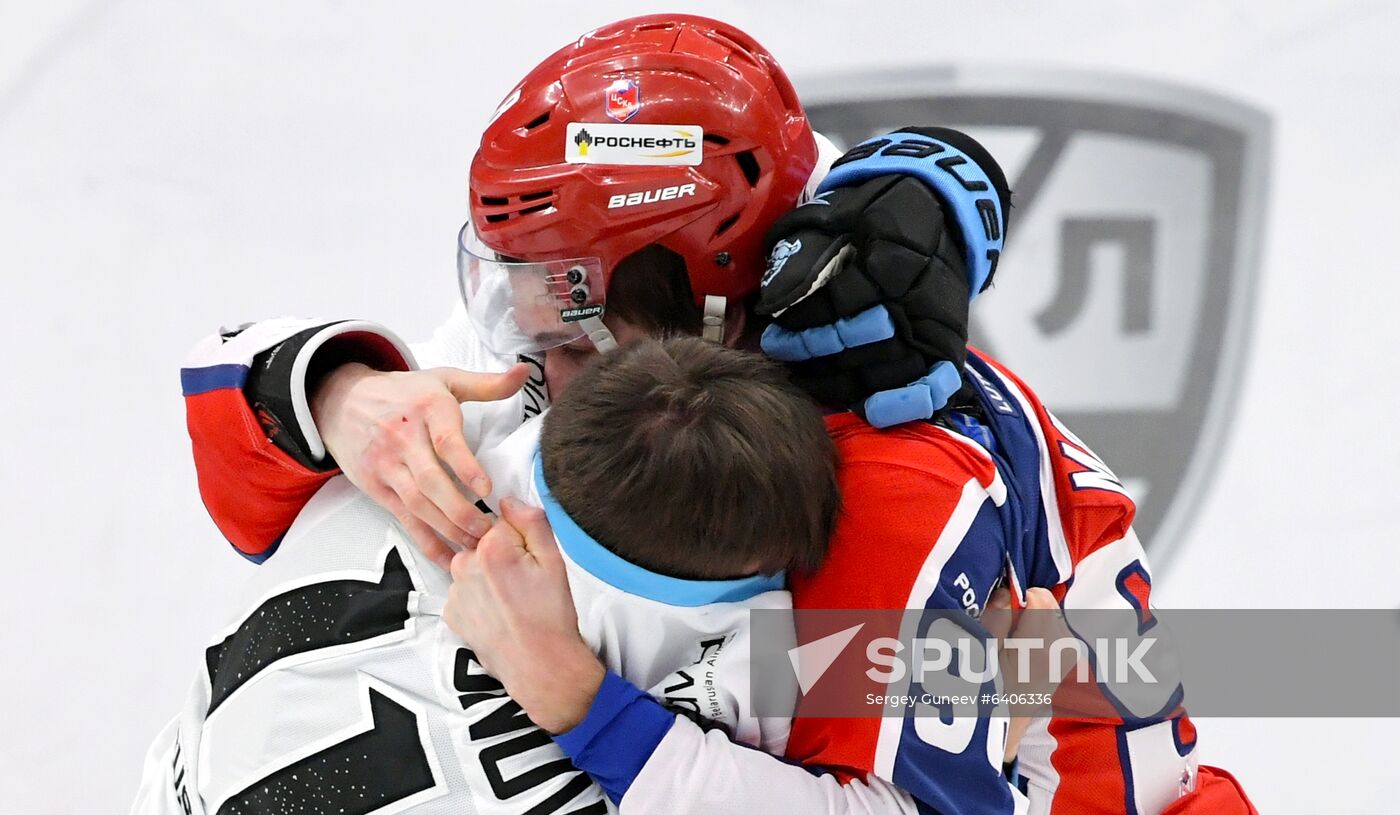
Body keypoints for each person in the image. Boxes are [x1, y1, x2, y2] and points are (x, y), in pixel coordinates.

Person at [175, 14, 1254, 815]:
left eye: (559, 293)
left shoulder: (886, 507)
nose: (515, 332)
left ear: (699, 291)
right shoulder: (694, 299)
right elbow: (234, 445)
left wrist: (583, 701)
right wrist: (336, 389)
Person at [135, 335, 848, 814]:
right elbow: (949, 705)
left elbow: (219, 364)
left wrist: (338, 385)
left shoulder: (426, 447)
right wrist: (590, 712)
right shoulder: (739, 656)